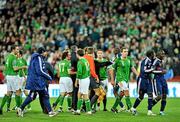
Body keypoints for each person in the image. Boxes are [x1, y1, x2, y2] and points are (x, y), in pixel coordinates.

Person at [17, 47, 57, 117]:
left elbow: (32, 69)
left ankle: (50, 112)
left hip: (35, 80)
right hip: (37, 81)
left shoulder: (34, 58)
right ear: (42, 52)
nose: (46, 53)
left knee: (35, 96)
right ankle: (21, 108)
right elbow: (40, 71)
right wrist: (48, 77)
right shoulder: (39, 58)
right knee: (42, 95)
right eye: (45, 52)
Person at [110, 47, 139, 113]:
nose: (126, 53)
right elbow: (111, 69)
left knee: (122, 93)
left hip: (126, 79)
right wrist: (112, 80)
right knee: (126, 90)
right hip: (120, 79)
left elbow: (132, 68)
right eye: (124, 51)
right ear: (121, 52)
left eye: (127, 51)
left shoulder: (129, 59)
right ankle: (131, 108)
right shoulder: (118, 60)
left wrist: (138, 74)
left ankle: (114, 107)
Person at [131, 50, 156, 116]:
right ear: (151, 54)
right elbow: (143, 70)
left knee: (150, 94)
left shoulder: (151, 61)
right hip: (142, 80)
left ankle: (149, 111)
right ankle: (133, 108)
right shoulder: (145, 61)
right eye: (154, 54)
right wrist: (152, 70)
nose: (154, 55)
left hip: (148, 80)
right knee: (141, 96)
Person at [0, 45, 21, 115]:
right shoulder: (14, 58)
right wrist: (22, 67)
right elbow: (15, 69)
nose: (18, 51)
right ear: (13, 50)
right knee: (18, 92)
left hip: (8, 76)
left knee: (9, 93)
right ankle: (19, 110)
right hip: (13, 77)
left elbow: (6, 68)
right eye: (17, 49)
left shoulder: (8, 57)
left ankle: (0, 107)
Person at [74, 49, 92, 115]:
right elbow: (89, 70)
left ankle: (89, 111)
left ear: (77, 54)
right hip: (86, 78)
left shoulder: (80, 62)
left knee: (85, 95)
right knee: (79, 94)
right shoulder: (85, 60)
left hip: (83, 79)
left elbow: (79, 73)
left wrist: (76, 81)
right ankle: (78, 110)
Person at [152, 50, 168, 115]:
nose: (164, 55)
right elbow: (152, 70)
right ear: (158, 55)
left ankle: (161, 111)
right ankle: (150, 106)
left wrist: (163, 72)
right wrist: (161, 72)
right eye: (162, 54)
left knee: (165, 95)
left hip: (163, 79)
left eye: (164, 54)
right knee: (159, 96)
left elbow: (161, 70)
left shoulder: (162, 61)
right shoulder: (155, 61)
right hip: (157, 80)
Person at [70, 45, 78, 111]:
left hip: (71, 75)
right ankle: (74, 106)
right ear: (75, 49)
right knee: (76, 91)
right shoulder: (75, 56)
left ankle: (73, 106)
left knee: (74, 91)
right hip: (75, 75)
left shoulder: (70, 56)